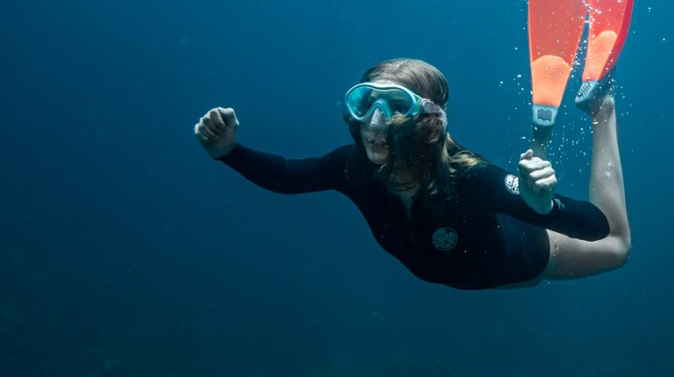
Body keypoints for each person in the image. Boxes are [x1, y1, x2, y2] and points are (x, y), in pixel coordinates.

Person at [193, 57, 631, 290]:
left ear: (429, 119)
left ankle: (601, 111)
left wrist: (541, 206)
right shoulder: (353, 169)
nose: (375, 123)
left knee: (618, 248)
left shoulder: (471, 178)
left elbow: (596, 227)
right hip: (485, 251)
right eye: (366, 103)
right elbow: (288, 175)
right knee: (537, 206)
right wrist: (229, 152)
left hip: (533, 258)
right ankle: (555, 144)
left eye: (396, 106)